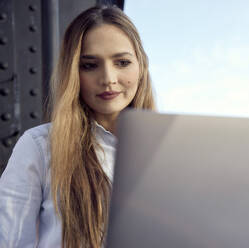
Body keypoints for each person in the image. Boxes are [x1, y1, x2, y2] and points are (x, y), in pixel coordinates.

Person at [0, 5, 155, 248]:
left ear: (141, 67)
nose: (108, 78)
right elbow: (11, 242)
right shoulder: (39, 147)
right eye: (89, 65)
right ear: (72, 71)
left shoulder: (165, 152)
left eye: (122, 62)